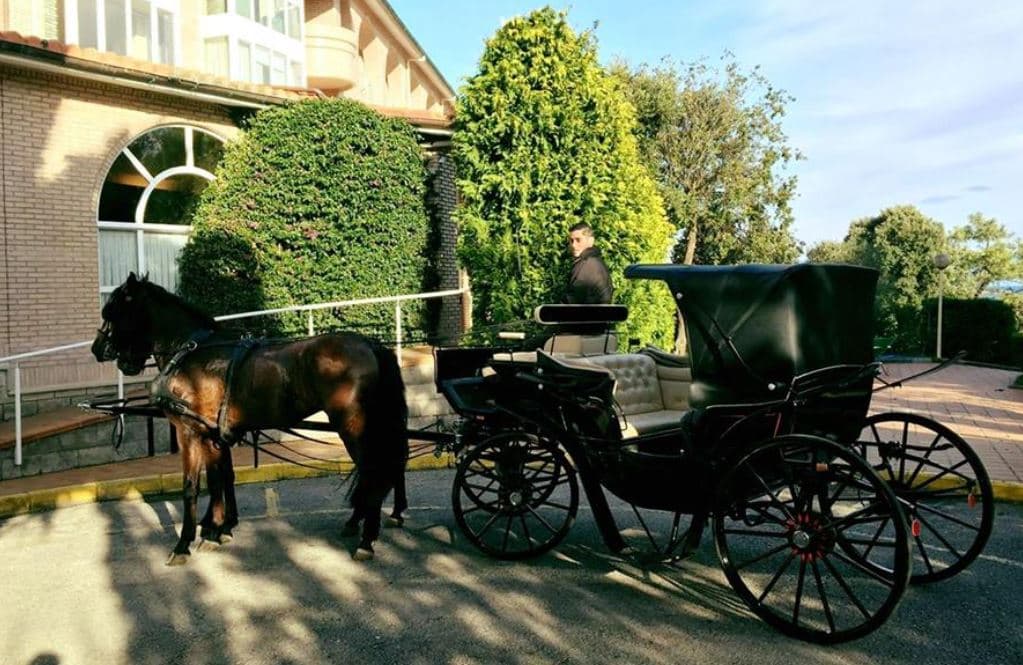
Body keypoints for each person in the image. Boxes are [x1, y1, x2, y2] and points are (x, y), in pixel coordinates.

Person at [565, 222, 612, 304]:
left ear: (591, 241)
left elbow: (571, 301)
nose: (573, 245)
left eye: (578, 240)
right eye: (571, 241)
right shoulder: (596, 261)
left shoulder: (587, 265)